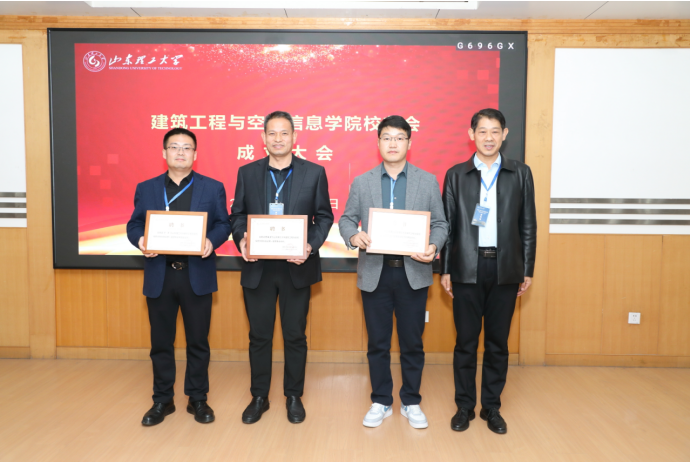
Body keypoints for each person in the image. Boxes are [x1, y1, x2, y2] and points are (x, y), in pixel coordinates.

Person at [339, 115, 448, 429]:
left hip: (413, 272)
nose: (393, 143)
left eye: (399, 138)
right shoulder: (363, 182)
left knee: (412, 342)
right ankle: (381, 400)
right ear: (378, 143)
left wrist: (433, 245)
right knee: (378, 343)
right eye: (387, 137)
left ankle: (411, 401)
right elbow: (346, 219)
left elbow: (440, 223)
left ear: (409, 143)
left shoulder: (427, 180)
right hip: (376, 272)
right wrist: (353, 236)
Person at [230, 111, 334, 424]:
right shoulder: (247, 172)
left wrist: (310, 245)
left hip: (296, 268)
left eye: (284, 133)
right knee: (259, 336)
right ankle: (259, 396)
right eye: (272, 133)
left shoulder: (314, 172)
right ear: (263, 138)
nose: (278, 139)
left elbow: (324, 217)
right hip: (258, 268)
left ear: (294, 137)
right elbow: (237, 215)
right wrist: (242, 239)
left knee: (294, 335)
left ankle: (293, 396)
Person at [126, 127, 231, 426]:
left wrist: (212, 240)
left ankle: (198, 399)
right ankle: (162, 400)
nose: (180, 152)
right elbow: (134, 224)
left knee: (198, 342)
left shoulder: (212, 188)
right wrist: (140, 240)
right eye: (174, 147)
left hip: (196, 274)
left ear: (195, 154)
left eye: (187, 147)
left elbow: (223, 224)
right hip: (160, 275)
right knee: (161, 342)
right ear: (164, 153)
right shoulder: (146, 188)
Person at [440, 108, 536, 434]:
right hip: (466, 267)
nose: (489, 137)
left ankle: (491, 407)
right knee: (466, 342)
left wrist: (527, 268)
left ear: (504, 135)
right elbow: (448, 225)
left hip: (505, 268)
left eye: (495, 131)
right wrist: (445, 269)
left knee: (498, 342)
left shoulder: (520, 173)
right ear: (471, 135)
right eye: (482, 131)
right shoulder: (456, 174)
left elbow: (528, 224)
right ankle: (464, 406)